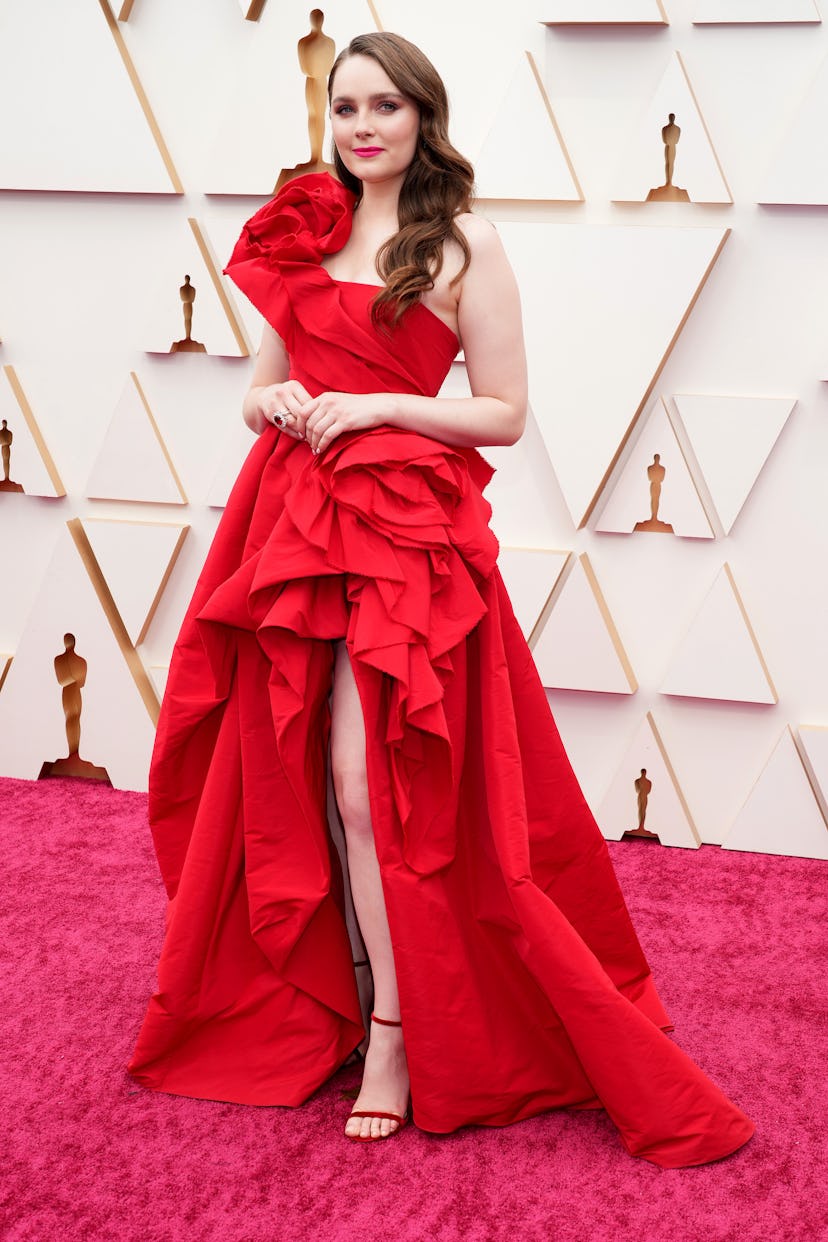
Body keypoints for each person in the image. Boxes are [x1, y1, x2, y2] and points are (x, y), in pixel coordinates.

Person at [128, 32, 754, 1167]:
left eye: (384, 106)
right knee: (296, 767)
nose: (361, 126)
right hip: (293, 522)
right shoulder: (304, 225)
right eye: (345, 108)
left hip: (406, 536)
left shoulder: (464, 242)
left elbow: (505, 411)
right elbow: (256, 391)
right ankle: (335, 992)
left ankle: (394, 1033)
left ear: (425, 115)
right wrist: (290, 408)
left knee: (378, 788)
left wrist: (376, 410)